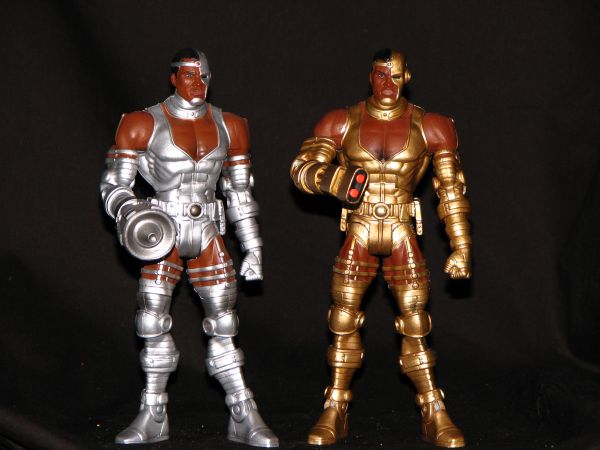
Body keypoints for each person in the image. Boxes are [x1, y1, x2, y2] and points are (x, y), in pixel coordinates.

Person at [290, 48, 471, 448]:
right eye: (381, 75)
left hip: (402, 228)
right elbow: (301, 168)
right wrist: (334, 180)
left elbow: (451, 190)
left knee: (415, 321)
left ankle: (432, 408)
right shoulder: (341, 121)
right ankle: (335, 406)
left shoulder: (433, 125)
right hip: (359, 226)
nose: (389, 83)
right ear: (370, 76)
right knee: (343, 318)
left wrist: (461, 246)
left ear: (408, 77)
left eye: (396, 75)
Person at [100, 48, 278, 448]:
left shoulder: (231, 125)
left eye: (204, 76)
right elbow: (113, 184)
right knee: (151, 321)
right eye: (190, 76)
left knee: (224, 323)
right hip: (161, 232)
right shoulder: (142, 123)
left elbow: (240, 194)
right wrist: (130, 210)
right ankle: (153, 413)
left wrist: (253, 247)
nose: (199, 84)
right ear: (174, 78)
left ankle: (243, 412)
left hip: (209, 230)